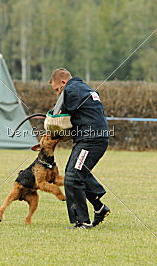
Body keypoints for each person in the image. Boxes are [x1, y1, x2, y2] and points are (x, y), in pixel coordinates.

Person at [49, 68, 110, 229]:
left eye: (57, 90)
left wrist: (51, 128)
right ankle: (99, 207)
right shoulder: (83, 88)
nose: (58, 94)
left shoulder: (71, 89)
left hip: (91, 140)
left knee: (73, 176)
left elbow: (58, 115)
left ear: (63, 82)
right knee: (76, 172)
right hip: (93, 138)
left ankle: (82, 222)